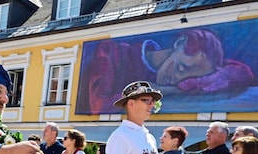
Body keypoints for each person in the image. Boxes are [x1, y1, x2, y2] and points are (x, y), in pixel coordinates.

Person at [79, 29, 254, 114]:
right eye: (181, 67)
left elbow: (241, 73)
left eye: (188, 78)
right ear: (179, 44)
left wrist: (185, 86)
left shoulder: (165, 82)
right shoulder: (112, 53)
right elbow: (98, 106)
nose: (176, 79)